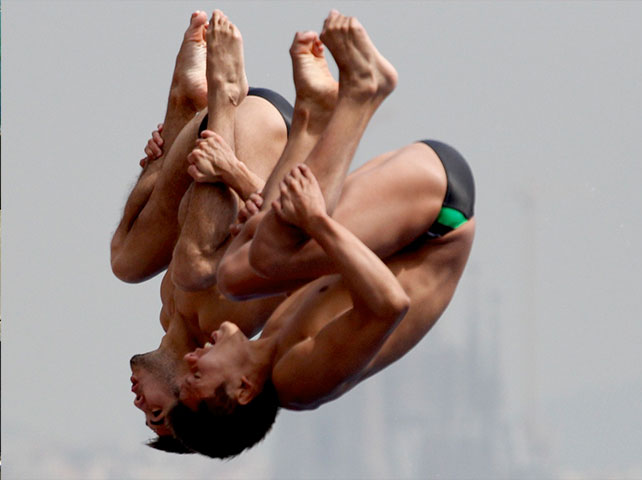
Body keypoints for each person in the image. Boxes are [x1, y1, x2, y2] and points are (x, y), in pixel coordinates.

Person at [167, 10, 476, 459]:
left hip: (408, 210)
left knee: (242, 266)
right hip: (438, 222)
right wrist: (317, 222)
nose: (192, 358)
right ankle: (359, 93)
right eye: (198, 375)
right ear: (243, 390)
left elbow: (305, 250)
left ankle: (315, 110)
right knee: (254, 263)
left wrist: (256, 204)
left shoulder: (274, 345)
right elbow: (390, 304)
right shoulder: (298, 380)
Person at [110, 10, 296, 450]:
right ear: (192, 392)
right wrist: (235, 175)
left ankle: (187, 100)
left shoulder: (168, 312)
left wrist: (158, 163)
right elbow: (293, 233)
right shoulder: (230, 323)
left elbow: (169, 212)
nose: (139, 402)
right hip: (267, 131)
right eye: (156, 413)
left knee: (126, 263)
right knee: (193, 268)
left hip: (208, 130)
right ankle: (221, 98)